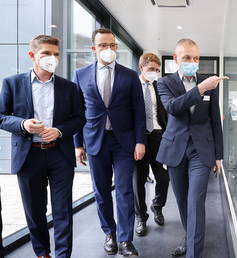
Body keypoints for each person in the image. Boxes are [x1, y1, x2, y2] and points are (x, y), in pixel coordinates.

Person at [0, 35, 85, 258]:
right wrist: (22, 124)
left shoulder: (70, 87)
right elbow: (1, 117)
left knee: (62, 210)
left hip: (60, 155)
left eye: (55, 54)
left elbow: (79, 118)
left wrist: (59, 131)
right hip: (29, 157)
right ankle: (42, 253)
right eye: (46, 54)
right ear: (32, 55)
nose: (52, 58)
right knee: (35, 211)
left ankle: (63, 255)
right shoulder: (12, 83)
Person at [73, 28, 146, 257]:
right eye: (103, 45)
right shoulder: (81, 75)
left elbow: (139, 111)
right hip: (95, 141)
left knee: (124, 190)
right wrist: (77, 144)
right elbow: (77, 113)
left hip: (124, 142)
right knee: (101, 191)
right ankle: (110, 233)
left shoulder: (130, 75)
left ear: (116, 47)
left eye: (112, 45)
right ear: (94, 48)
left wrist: (140, 142)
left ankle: (125, 240)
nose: (108, 49)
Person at [156, 39, 226, 258]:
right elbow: (172, 108)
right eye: (186, 57)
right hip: (175, 149)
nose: (192, 62)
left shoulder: (209, 83)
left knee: (196, 202)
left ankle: (193, 253)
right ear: (176, 59)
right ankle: (189, 237)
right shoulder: (164, 83)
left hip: (201, 151)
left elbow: (215, 120)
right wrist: (200, 89)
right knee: (183, 201)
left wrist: (219, 155)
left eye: (196, 58)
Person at [134, 53, 169, 236]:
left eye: (157, 70)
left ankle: (158, 206)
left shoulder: (159, 86)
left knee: (163, 177)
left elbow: (166, 113)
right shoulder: (132, 86)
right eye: (150, 69)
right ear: (141, 68)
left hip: (157, 136)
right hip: (138, 140)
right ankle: (141, 217)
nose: (154, 73)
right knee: (138, 180)